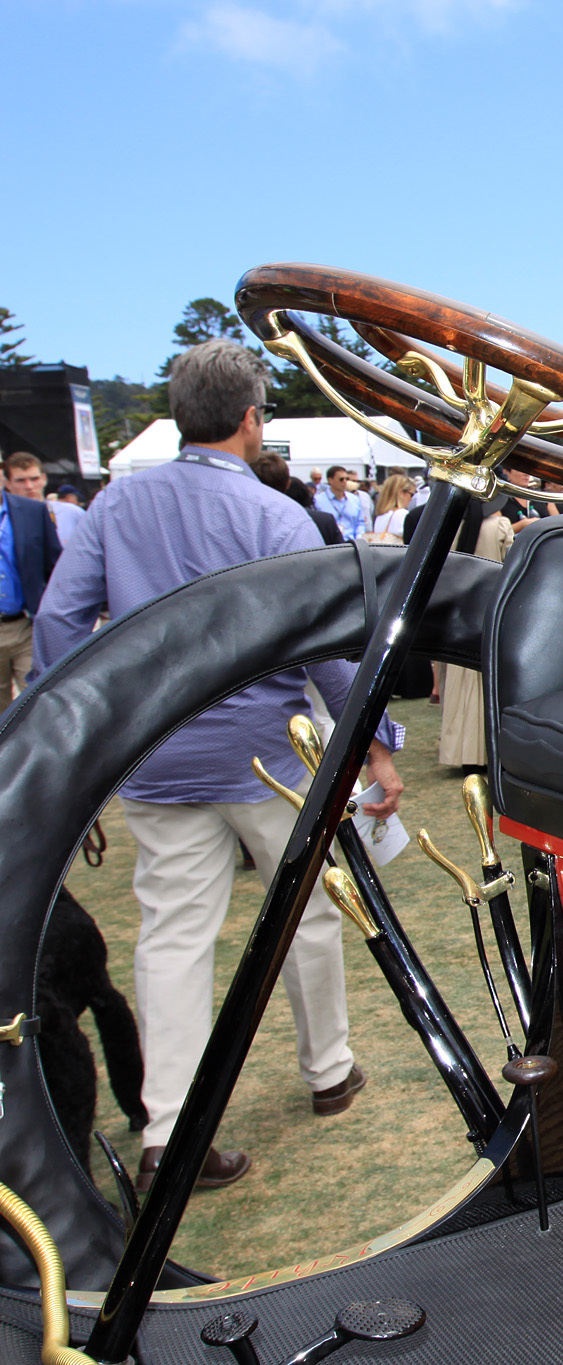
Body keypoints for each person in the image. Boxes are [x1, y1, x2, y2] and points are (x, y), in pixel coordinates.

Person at [33, 340, 407, 1190]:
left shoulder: (115, 506)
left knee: (171, 934)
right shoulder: (275, 515)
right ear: (250, 419)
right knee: (306, 912)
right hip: (268, 754)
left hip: (158, 755)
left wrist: (86, 735)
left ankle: (169, 1124)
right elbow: (328, 650)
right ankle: (328, 1069)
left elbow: (60, 624)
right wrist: (376, 744)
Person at [437, 501, 513, 770]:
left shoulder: (456, 530)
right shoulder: (499, 527)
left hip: (460, 611)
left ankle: (461, 753)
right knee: (487, 683)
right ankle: (487, 751)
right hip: (490, 610)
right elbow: (511, 566)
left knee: (460, 686)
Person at [0, 455, 62, 698]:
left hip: (25, 625)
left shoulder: (33, 511)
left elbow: (54, 567)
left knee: (35, 700)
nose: (29, 486)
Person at [314, 465, 368, 539]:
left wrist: (359, 537)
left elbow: (360, 522)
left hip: (352, 543)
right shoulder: (318, 500)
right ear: (330, 480)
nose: (345, 482)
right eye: (341, 479)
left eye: (347, 479)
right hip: (331, 545)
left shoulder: (354, 499)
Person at [366, 474, 414, 542]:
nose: (411, 498)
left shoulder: (380, 515)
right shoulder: (403, 514)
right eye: (411, 494)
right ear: (401, 492)